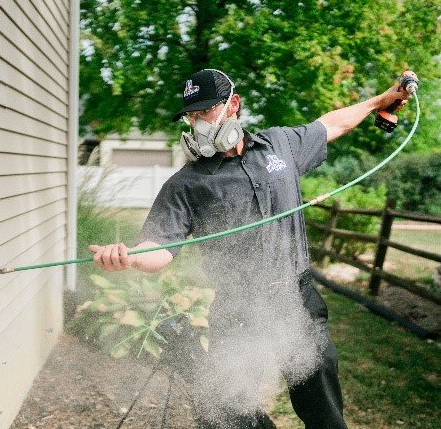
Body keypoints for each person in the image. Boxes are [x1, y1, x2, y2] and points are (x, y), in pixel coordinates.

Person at [89, 68, 411, 428]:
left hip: (296, 298)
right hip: (238, 307)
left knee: (323, 410)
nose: (199, 124)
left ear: (233, 106)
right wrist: (129, 258)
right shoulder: (186, 184)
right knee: (230, 413)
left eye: (207, 112)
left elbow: (330, 124)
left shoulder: (280, 146)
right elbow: (160, 247)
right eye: (192, 116)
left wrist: (382, 100)